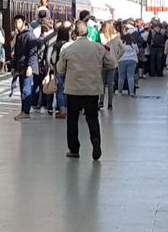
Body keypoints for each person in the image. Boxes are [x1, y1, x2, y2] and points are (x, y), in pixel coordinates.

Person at [58, 20, 116, 160]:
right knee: (92, 118)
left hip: (73, 90)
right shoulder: (98, 48)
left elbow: (60, 69)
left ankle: (74, 149)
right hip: (92, 89)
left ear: (75, 33)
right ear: (88, 32)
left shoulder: (68, 49)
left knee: (72, 120)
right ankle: (96, 143)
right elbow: (112, 63)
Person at [12, 15, 55, 120]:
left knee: (26, 90)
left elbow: (33, 53)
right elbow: (17, 53)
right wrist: (13, 66)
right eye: (16, 22)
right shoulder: (20, 35)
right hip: (21, 67)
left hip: (27, 67)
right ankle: (24, 110)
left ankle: (25, 112)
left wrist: (30, 66)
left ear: (24, 22)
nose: (17, 24)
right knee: (23, 89)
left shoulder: (29, 36)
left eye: (19, 22)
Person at [49, 23, 73, 119]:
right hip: (70, 69)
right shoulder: (70, 45)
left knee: (59, 90)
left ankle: (62, 110)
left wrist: (52, 66)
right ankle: (68, 108)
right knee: (68, 89)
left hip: (59, 69)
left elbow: (53, 59)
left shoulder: (57, 45)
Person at [99, 21, 119, 109]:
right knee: (110, 84)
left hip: (103, 62)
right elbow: (122, 48)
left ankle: (101, 101)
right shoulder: (116, 37)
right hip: (113, 62)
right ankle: (110, 104)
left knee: (102, 83)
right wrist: (117, 57)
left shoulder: (100, 36)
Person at [117, 31, 139, 97]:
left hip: (122, 60)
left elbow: (117, 51)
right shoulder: (134, 43)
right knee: (131, 77)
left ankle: (119, 92)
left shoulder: (121, 43)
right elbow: (137, 51)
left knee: (121, 77)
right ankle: (131, 92)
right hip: (132, 60)